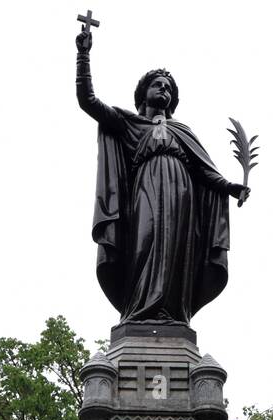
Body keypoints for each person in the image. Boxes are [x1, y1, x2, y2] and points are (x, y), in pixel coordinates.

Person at [76, 27, 250, 326]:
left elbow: (206, 172)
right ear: (143, 92)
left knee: (176, 254)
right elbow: (88, 101)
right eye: (157, 84)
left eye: (168, 86)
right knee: (144, 244)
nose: (164, 89)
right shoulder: (129, 124)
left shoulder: (183, 132)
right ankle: (139, 310)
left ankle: (172, 312)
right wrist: (83, 56)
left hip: (182, 199)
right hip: (145, 191)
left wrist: (231, 187)